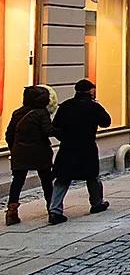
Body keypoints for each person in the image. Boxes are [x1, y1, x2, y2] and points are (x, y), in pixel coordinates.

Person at [48, 79, 112, 225]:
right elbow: (106, 122)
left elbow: (55, 127)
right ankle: (97, 203)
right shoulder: (93, 106)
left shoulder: (66, 106)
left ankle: (55, 210)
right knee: (92, 177)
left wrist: (64, 137)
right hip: (87, 147)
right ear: (90, 91)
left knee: (62, 178)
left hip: (68, 147)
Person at [5, 86, 54, 226]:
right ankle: (52, 209)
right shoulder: (42, 113)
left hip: (20, 152)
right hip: (40, 152)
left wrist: (14, 148)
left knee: (17, 181)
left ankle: (11, 211)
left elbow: (9, 134)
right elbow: (48, 131)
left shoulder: (17, 113)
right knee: (46, 181)